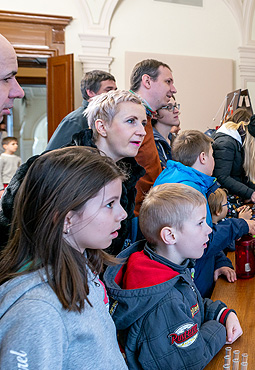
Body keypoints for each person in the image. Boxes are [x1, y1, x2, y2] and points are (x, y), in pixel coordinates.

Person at [0, 147, 187, 370]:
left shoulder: (85, 270)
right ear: (65, 218)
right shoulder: (37, 312)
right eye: (109, 204)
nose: (122, 214)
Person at [104, 183, 243, 370]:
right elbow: (189, 362)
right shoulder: (164, 299)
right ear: (169, 236)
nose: (208, 229)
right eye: (199, 223)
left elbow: (191, 304)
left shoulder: (164, 266)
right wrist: (218, 327)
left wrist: (223, 313)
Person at [0, 89, 147, 254]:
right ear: (102, 126)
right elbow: (13, 228)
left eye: (143, 123)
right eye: (131, 121)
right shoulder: (55, 169)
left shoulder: (127, 175)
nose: (142, 131)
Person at [154, 129, 255, 296]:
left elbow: (205, 232)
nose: (214, 161)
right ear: (203, 157)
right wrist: (241, 225)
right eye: (212, 155)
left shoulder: (181, 178)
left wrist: (219, 261)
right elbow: (201, 240)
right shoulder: (188, 189)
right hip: (189, 288)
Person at [130, 59, 178, 214]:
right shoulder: (127, 114)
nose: (173, 89)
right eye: (168, 82)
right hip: (132, 214)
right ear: (147, 81)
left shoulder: (146, 116)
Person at [46, 70, 117, 150]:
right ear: (90, 92)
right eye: (109, 90)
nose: (114, 94)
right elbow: (51, 157)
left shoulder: (107, 117)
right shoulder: (75, 120)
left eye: (115, 90)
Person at [212, 108, 255, 203]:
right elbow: (222, 177)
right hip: (221, 201)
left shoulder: (239, 142)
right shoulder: (226, 143)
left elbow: (243, 175)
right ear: (252, 136)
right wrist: (250, 193)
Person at [152, 96, 180, 169]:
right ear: (155, 113)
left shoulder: (176, 140)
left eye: (175, 106)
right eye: (169, 107)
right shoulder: (152, 144)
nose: (176, 110)